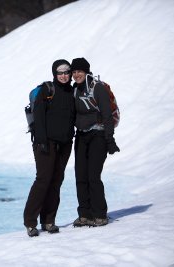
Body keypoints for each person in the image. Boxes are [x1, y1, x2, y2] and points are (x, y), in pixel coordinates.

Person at [23, 59, 75, 237]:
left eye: (66, 72)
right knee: (43, 180)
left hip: (65, 143)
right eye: (60, 72)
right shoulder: (47, 89)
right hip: (45, 143)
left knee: (56, 181)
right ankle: (30, 222)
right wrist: (42, 140)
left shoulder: (71, 91)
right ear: (54, 73)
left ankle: (48, 220)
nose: (63, 76)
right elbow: (39, 115)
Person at [70, 57, 120, 227]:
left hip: (98, 135)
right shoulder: (75, 90)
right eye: (74, 71)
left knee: (93, 176)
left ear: (86, 72)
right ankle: (85, 214)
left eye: (80, 71)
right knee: (80, 176)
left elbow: (107, 114)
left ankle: (99, 214)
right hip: (82, 136)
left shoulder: (97, 88)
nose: (76, 74)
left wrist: (110, 139)